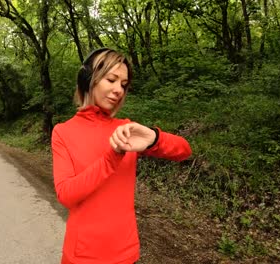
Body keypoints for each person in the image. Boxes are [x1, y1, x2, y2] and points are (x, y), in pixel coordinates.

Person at [51, 48, 192, 264]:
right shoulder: (63, 132)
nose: (119, 90)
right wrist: (111, 157)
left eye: (123, 85)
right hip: (82, 256)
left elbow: (184, 151)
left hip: (126, 254)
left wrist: (154, 138)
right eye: (111, 79)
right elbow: (66, 194)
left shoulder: (126, 129)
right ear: (88, 79)